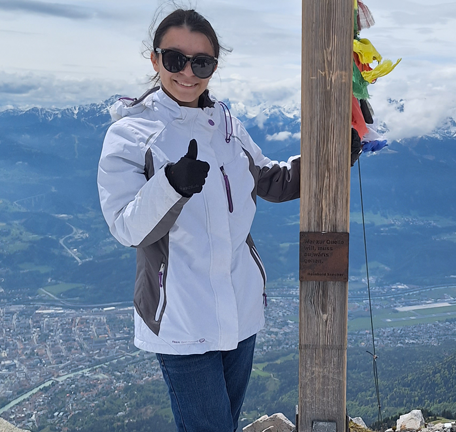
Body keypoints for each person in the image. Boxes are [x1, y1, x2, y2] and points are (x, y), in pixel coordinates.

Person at [97, 8, 360, 431]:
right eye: (174, 59)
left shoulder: (226, 124)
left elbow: (272, 181)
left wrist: (329, 158)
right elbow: (127, 227)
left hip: (239, 310)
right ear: (154, 60)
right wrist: (171, 186)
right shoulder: (130, 134)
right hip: (180, 318)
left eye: (201, 62)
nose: (187, 72)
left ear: (213, 67)